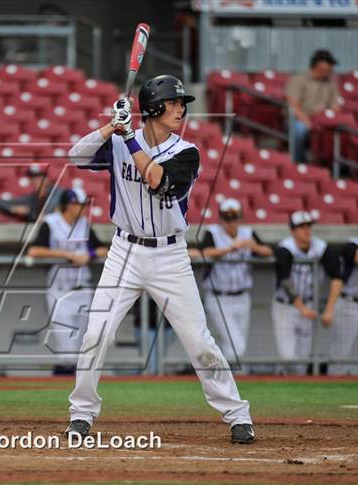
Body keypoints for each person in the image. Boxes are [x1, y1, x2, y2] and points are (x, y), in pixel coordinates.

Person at [64, 75, 255, 444]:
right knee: (96, 334)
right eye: (174, 103)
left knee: (198, 341)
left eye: (182, 103)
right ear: (153, 109)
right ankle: (81, 413)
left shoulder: (187, 152)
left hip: (170, 255)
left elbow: (158, 181)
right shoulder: (118, 141)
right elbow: (76, 156)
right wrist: (111, 126)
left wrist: (128, 137)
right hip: (124, 251)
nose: (181, 109)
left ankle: (238, 415)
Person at [27, 188, 108, 374]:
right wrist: (66, 254)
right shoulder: (51, 223)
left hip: (83, 290)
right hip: (60, 291)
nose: (82, 208)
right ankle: (63, 380)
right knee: (66, 349)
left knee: (83, 346)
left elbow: (103, 249)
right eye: (77, 204)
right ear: (67, 205)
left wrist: (90, 255)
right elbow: (34, 251)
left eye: (83, 205)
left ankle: (78, 383)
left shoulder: (84, 225)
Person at [200, 199, 272, 362]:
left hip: (242, 297)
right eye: (227, 218)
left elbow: (268, 251)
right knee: (237, 346)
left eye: (234, 218)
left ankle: (219, 372)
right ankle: (216, 369)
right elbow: (204, 252)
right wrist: (229, 249)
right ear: (221, 219)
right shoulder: (213, 232)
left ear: (240, 218)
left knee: (235, 346)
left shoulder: (247, 233)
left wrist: (253, 246)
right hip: (219, 297)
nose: (231, 223)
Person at [272, 211, 338, 375]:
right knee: (287, 356)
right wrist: (302, 308)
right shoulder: (285, 247)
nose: (306, 230)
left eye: (308, 226)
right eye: (301, 227)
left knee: (303, 358)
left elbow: (337, 275)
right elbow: (285, 280)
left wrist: (329, 309)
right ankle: (281, 378)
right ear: (292, 230)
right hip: (286, 306)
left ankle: (295, 388)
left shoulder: (320, 246)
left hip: (309, 304)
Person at [286, 49, 341, 163]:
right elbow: (293, 104)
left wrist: (329, 121)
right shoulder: (299, 79)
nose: (332, 68)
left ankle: (329, 164)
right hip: (300, 119)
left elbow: (335, 106)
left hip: (321, 120)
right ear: (321, 64)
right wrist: (308, 122)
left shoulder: (330, 83)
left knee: (338, 132)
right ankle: (298, 163)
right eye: (330, 65)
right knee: (299, 130)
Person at [321, 238, 357, 375]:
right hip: (349, 303)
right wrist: (329, 309)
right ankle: (335, 383)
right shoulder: (353, 243)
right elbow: (353, 254)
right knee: (340, 354)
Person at [0, 165, 64, 222]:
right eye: (32, 178)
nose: (35, 180)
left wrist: (29, 212)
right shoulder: (33, 197)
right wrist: (13, 208)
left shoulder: (57, 192)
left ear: (46, 178)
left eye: (39, 177)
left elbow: (47, 215)